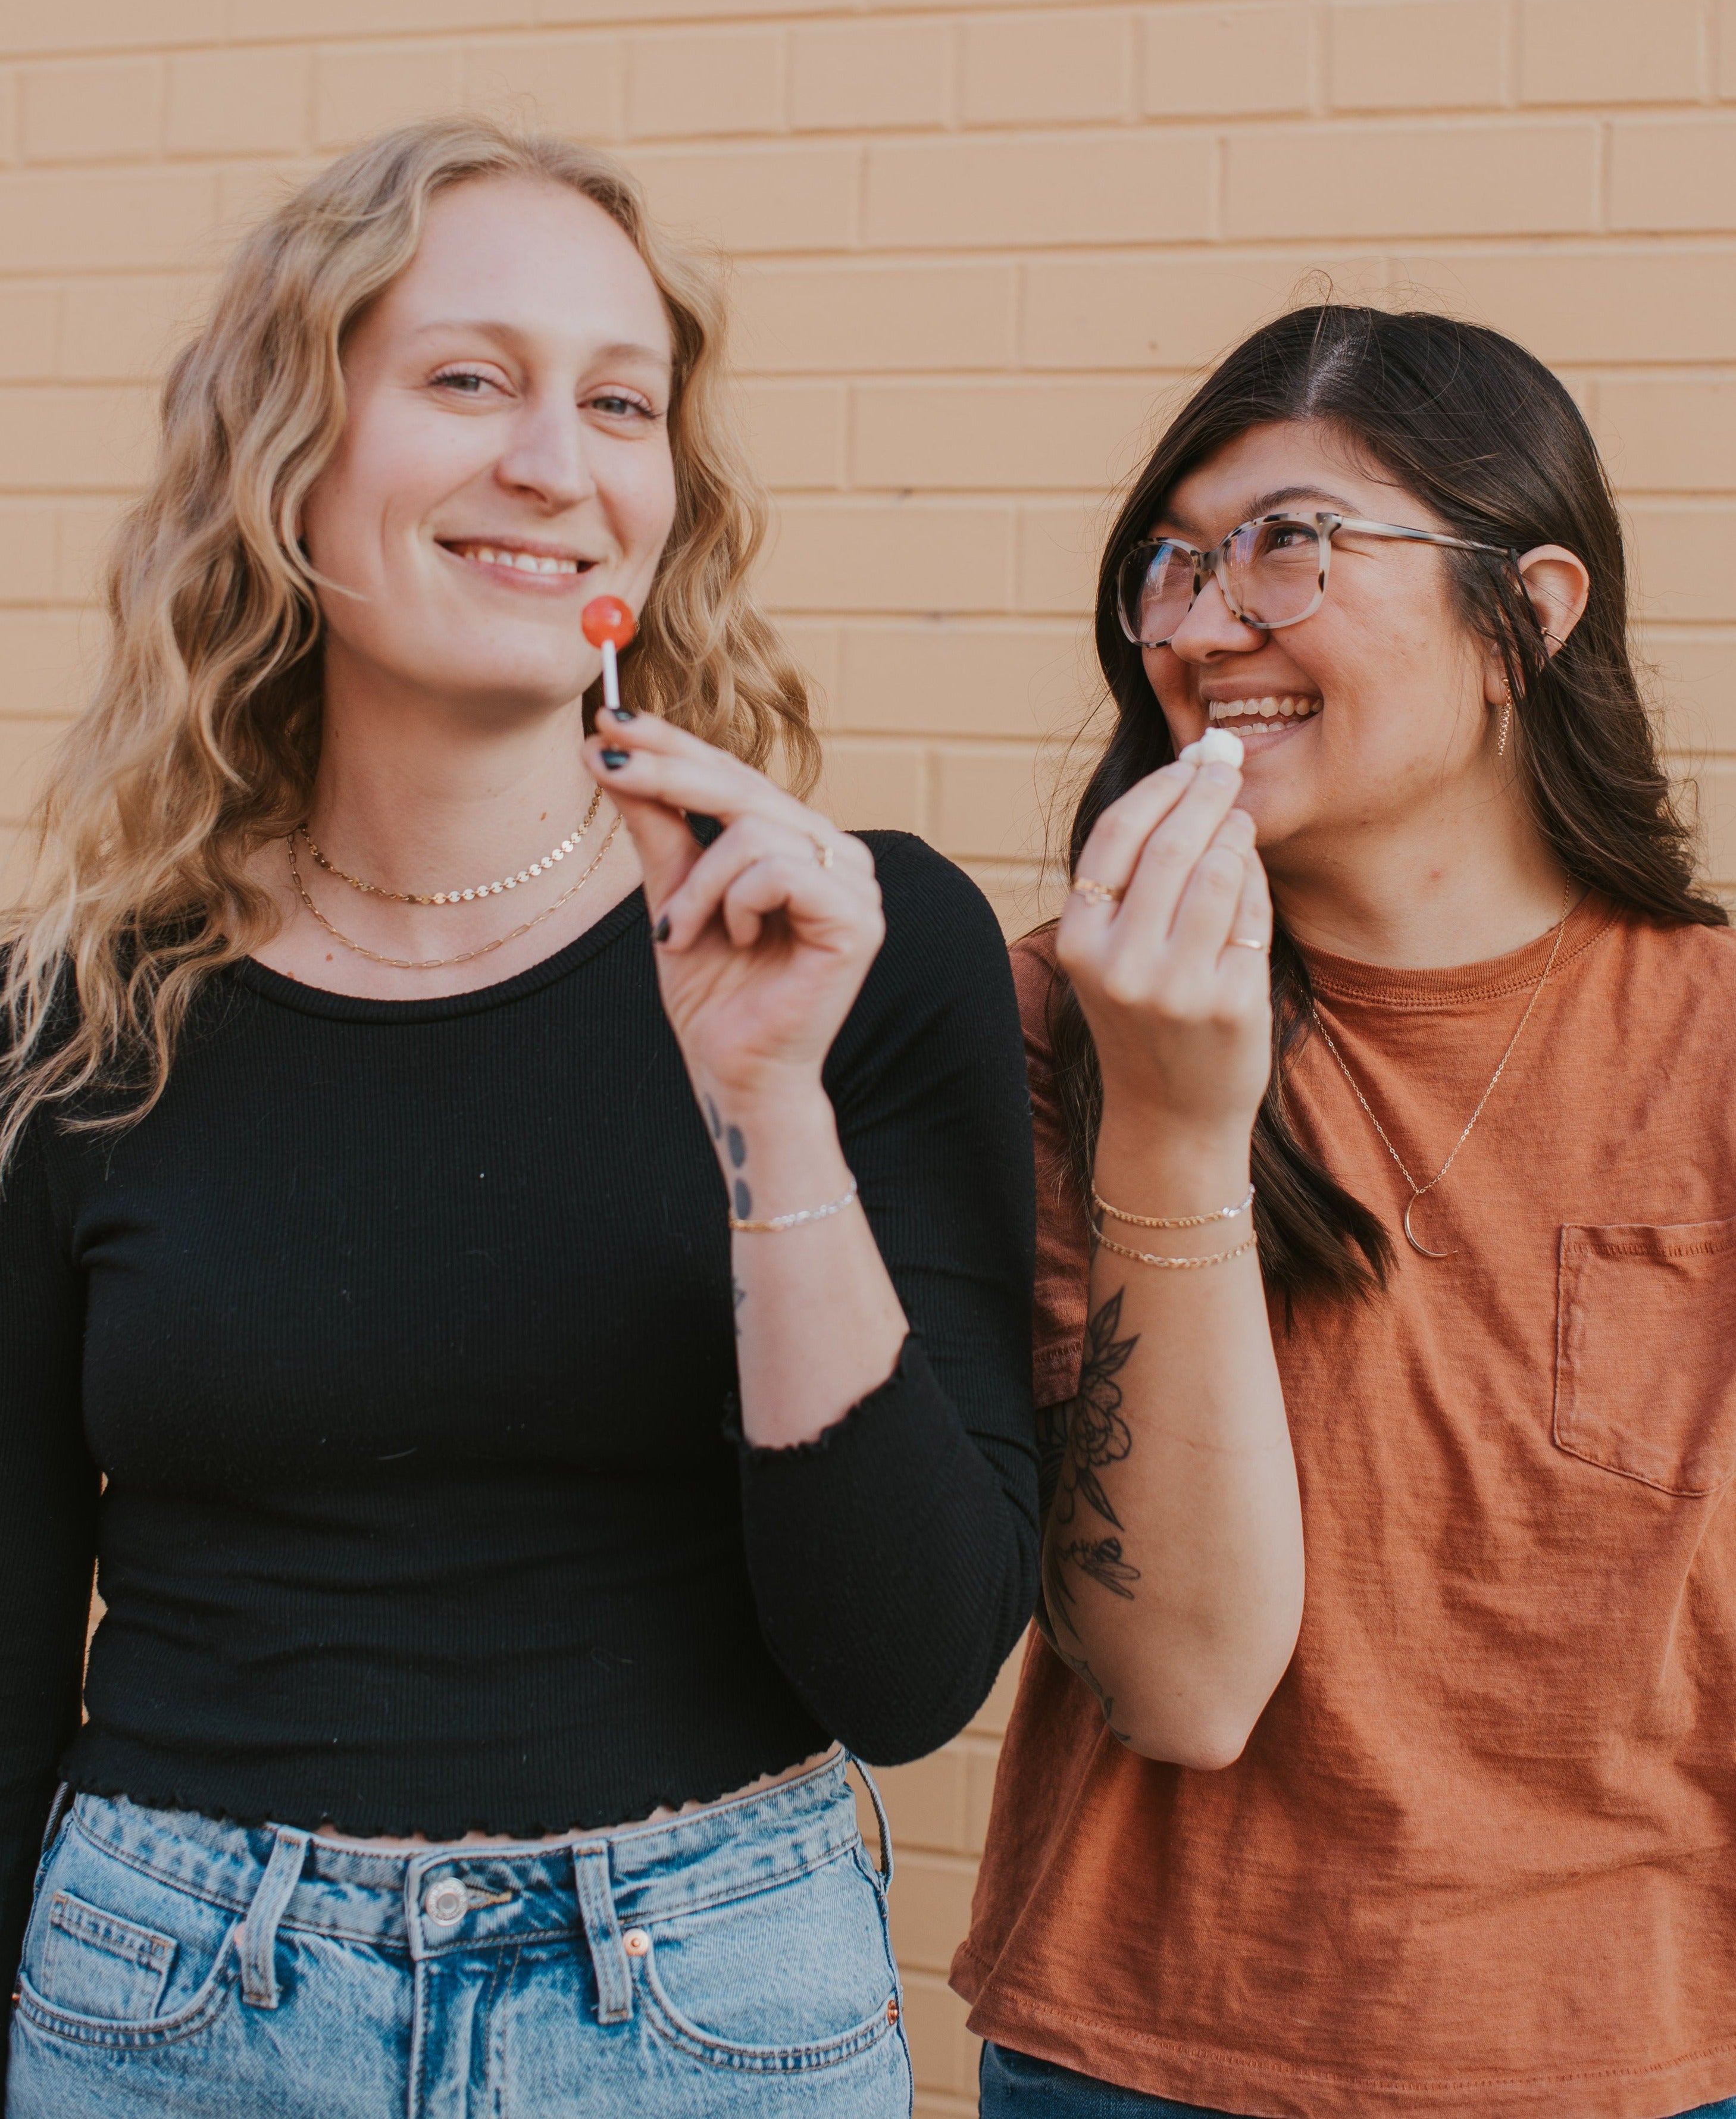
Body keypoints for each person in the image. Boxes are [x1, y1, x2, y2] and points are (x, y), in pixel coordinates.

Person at [0, 116, 1039, 2118]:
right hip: (168, 2014)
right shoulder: (77, 1020)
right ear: (285, 454)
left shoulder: (858, 943)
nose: (559, 464)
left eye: (621, 403)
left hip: (707, 2017)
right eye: (470, 380)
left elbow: (911, 1673)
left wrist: (768, 1109)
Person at [953, 303, 1736, 2119]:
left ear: (1528, 612)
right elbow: (1184, 1684)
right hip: (1155, 2058)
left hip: (1658, 2057)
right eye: (1173, 564)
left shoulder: (1708, 1039)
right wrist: (1172, 1126)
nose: (1202, 624)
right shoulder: (1050, 1022)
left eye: (1288, 545)